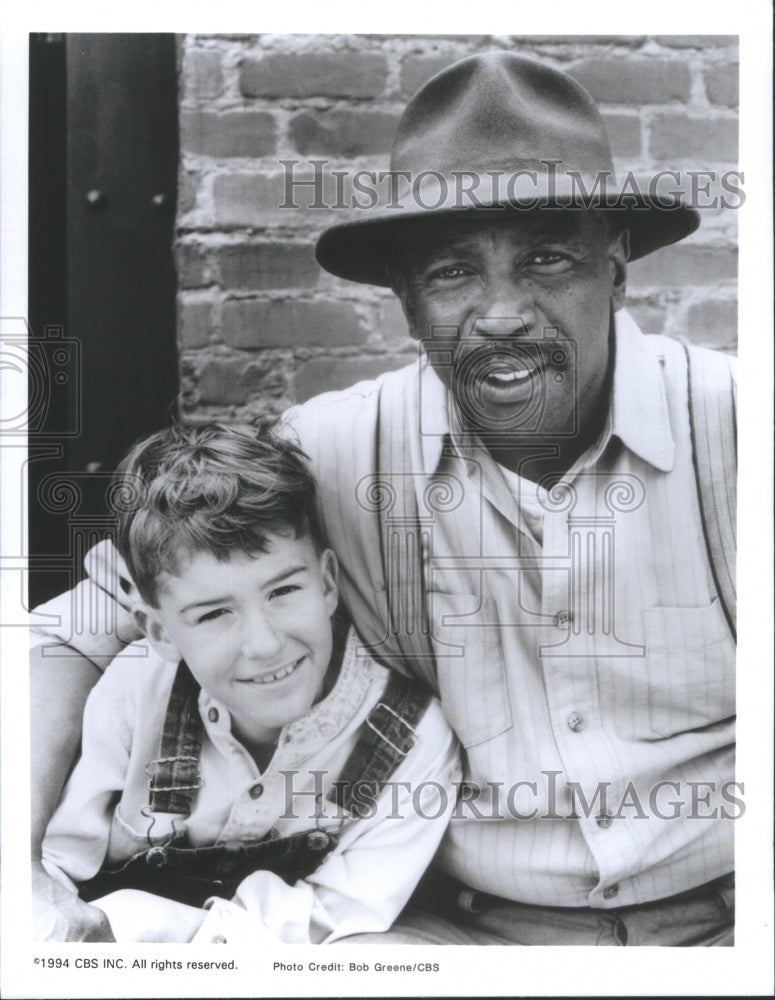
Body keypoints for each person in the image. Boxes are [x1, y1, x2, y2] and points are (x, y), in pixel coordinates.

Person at [31, 51, 737, 945]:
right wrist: (18, 867)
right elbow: (78, 625)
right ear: (404, 302)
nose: (501, 314)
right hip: (452, 932)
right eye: (450, 274)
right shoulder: (332, 453)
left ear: (617, 268)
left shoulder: (738, 433)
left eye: (547, 259)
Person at [38, 421, 460, 943]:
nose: (264, 643)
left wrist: (164, 925)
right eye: (214, 614)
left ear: (327, 584)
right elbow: (52, 872)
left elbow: (334, 917)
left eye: (283, 591)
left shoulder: (411, 740)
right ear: (159, 631)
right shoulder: (132, 695)